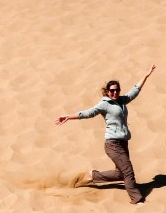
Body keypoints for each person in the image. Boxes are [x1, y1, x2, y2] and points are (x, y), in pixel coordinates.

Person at [55, 64, 156, 205]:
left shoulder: (122, 100)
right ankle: (137, 199)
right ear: (108, 92)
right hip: (112, 144)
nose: (115, 93)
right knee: (128, 171)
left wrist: (146, 75)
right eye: (112, 90)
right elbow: (88, 113)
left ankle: (94, 176)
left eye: (117, 90)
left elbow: (135, 90)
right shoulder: (104, 104)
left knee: (121, 173)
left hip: (123, 143)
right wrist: (69, 117)